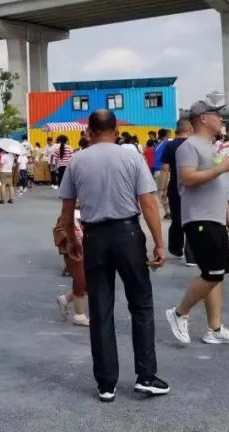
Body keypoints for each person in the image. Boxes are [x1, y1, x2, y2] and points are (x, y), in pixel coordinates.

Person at [58, 110, 168, 402]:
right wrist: (159, 243)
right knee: (141, 305)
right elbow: (148, 203)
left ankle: (106, 383)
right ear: (116, 129)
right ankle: (146, 376)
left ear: (89, 131)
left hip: (94, 237)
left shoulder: (77, 160)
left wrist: (71, 240)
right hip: (128, 234)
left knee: (101, 308)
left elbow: (67, 211)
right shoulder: (131, 156)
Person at [165, 100, 229, 347]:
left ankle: (215, 327)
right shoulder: (188, 147)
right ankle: (179, 313)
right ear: (203, 118)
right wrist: (222, 167)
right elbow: (188, 179)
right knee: (212, 273)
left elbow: (217, 187)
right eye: (216, 114)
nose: (221, 119)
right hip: (198, 218)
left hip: (214, 218)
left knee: (217, 274)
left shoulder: (213, 148)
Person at [159, 119, 192, 262]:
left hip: (175, 186)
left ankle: (176, 248)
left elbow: (165, 168)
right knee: (192, 218)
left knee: (177, 218)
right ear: (190, 129)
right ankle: (191, 254)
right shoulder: (193, 144)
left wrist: (162, 188)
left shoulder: (170, 146)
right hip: (193, 185)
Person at [54, 207, 89, 327]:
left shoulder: (91, 209)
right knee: (81, 281)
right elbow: (59, 231)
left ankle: (65, 299)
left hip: (89, 251)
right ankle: (79, 315)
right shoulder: (68, 213)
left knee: (89, 282)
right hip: (74, 252)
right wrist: (71, 240)